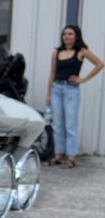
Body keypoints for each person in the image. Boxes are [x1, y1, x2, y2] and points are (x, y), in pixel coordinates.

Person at [44, 25, 103, 167]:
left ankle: (70, 157)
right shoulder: (56, 53)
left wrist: (83, 79)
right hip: (57, 89)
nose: (67, 36)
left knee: (71, 124)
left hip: (71, 91)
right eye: (64, 34)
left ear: (76, 36)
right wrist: (48, 94)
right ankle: (58, 155)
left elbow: (99, 64)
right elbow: (52, 74)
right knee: (58, 125)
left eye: (70, 34)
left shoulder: (81, 51)